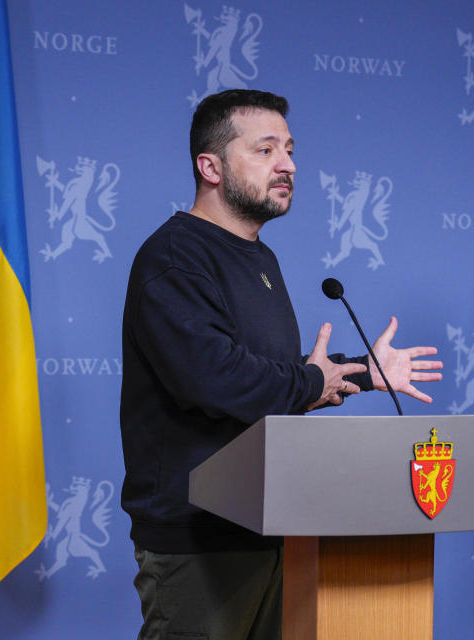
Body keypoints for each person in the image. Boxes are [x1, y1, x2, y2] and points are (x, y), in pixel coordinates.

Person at [119, 89, 443, 640]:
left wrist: (362, 371)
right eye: (266, 150)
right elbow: (215, 379)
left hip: (272, 521)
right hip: (197, 537)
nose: (288, 165)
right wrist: (312, 380)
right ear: (211, 166)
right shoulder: (176, 257)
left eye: (290, 150)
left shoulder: (259, 257)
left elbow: (264, 374)